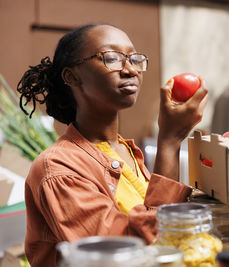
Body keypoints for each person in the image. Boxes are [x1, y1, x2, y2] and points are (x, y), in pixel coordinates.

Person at [17, 23, 208, 267]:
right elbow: (122, 255)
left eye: (134, 58)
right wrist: (169, 141)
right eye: (112, 58)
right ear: (71, 76)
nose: (130, 70)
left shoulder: (124, 150)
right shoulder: (58, 169)